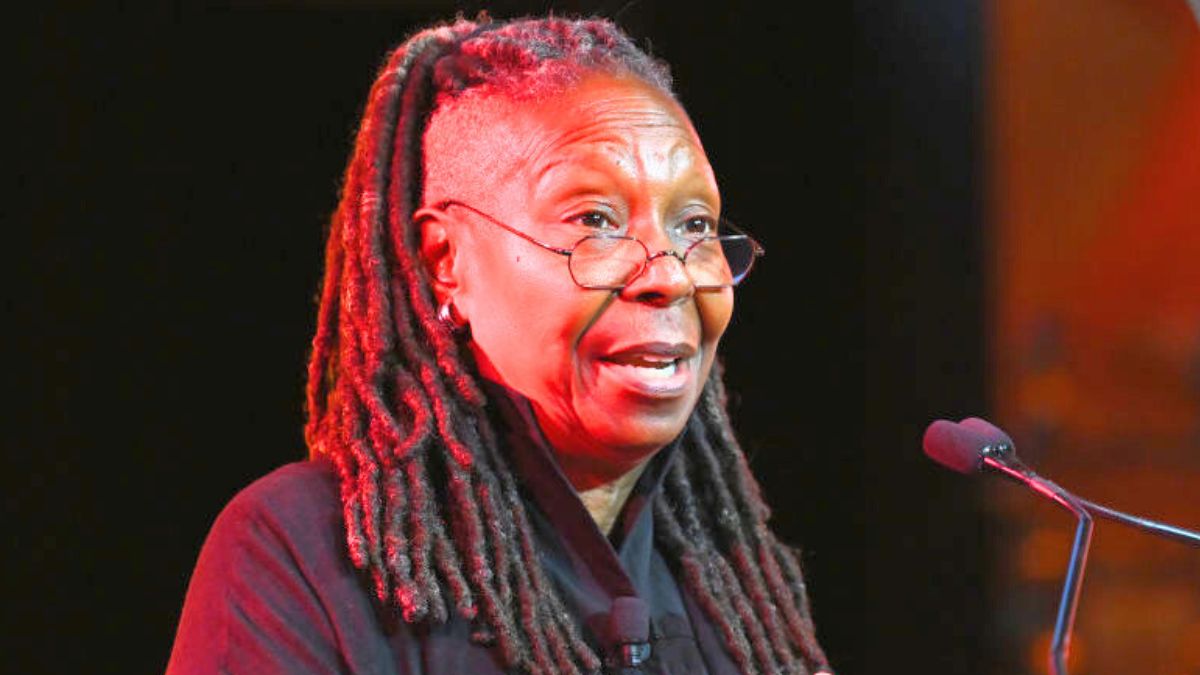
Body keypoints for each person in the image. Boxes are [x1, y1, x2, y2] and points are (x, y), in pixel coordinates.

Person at [167, 15, 832, 675]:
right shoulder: (303, 556)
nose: (670, 273)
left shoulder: (733, 590)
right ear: (444, 261)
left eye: (695, 225)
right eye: (594, 220)